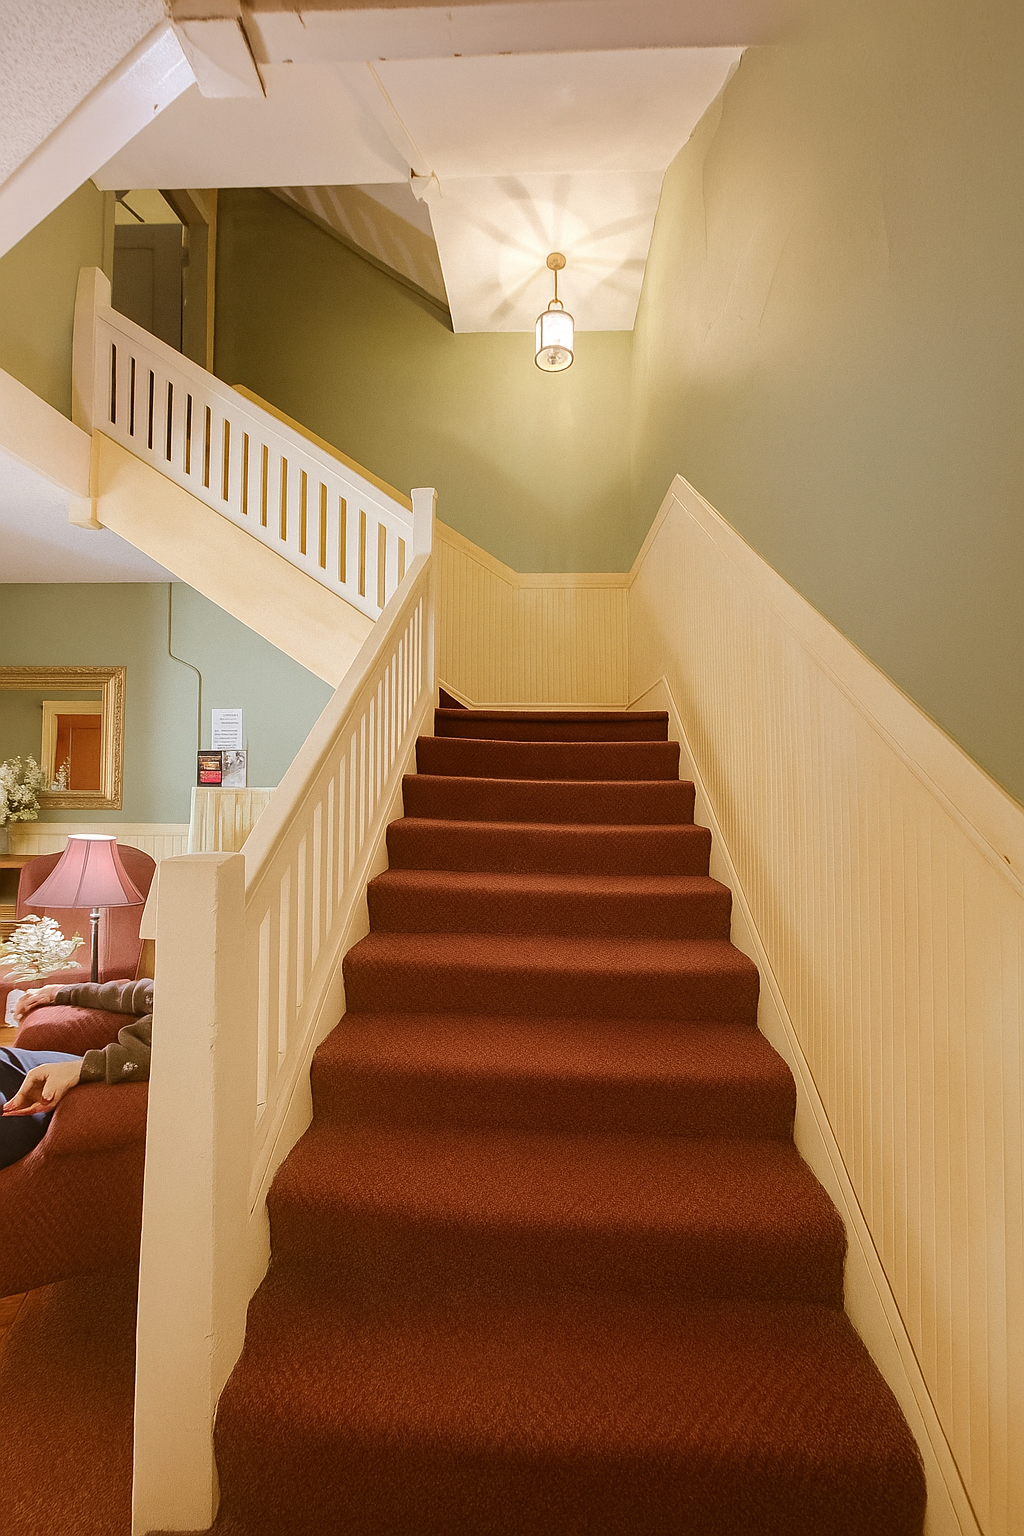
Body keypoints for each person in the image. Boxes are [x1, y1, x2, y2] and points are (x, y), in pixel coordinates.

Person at [0, 978, 153, 1171]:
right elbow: (132, 994)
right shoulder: (179, 992)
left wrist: (85, 1068)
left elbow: (173, 1058)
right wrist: (59, 992)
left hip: (109, 1080)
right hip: (97, 1065)